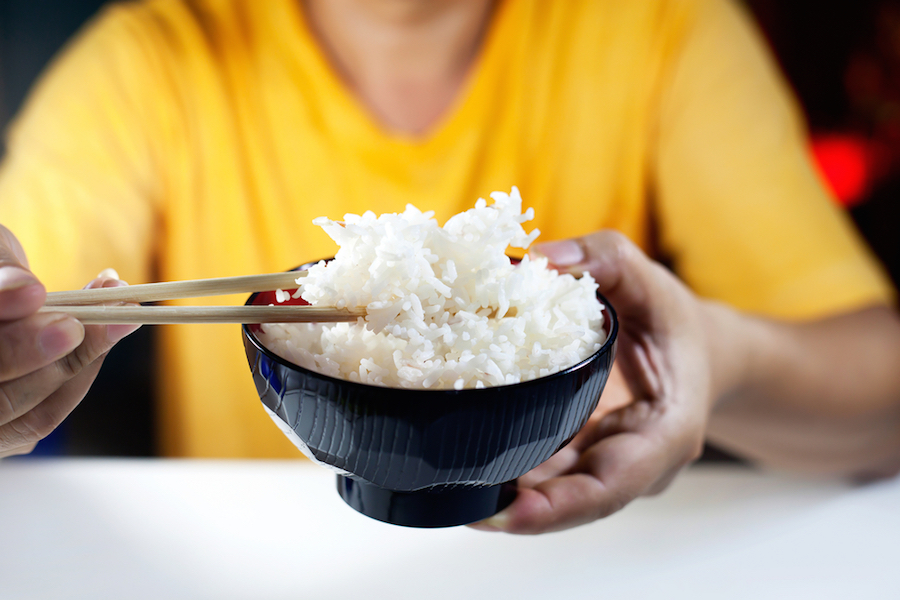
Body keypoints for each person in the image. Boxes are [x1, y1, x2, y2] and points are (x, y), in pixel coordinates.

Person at [1, 0, 899, 534]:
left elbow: (884, 405)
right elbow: (35, 301)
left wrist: (718, 357)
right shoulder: (151, 59)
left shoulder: (657, 29)